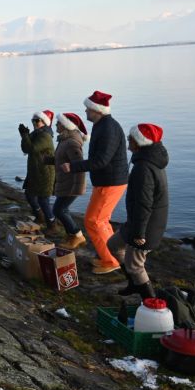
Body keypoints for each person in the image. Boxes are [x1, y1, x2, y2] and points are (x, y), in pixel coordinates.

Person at [60, 90, 129, 274]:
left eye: (87, 109)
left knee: (93, 220)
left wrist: (73, 166)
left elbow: (101, 161)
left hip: (111, 182)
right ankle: (111, 256)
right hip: (108, 181)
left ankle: (110, 260)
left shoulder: (108, 129)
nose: (85, 112)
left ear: (96, 110)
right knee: (101, 220)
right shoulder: (102, 125)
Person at [108, 123, 169, 298]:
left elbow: (144, 203)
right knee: (113, 245)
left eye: (130, 139)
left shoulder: (144, 168)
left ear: (139, 142)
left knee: (135, 265)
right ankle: (134, 284)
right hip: (138, 222)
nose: (127, 141)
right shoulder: (149, 161)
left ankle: (150, 302)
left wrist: (140, 233)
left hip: (146, 226)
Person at [51, 112, 89, 249]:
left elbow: (79, 165)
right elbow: (62, 160)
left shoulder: (71, 143)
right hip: (65, 181)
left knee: (59, 210)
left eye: (58, 123)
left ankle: (77, 235)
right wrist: (48, 160)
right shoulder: (64, 140)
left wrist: (76, 187)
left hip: (72, 184)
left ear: (65, 126)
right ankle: (72, 236)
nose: (56, 124)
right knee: (61, 209)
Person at [19, 110, 55, 228]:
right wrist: (24, 135)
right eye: (32, 120)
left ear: (44, 122)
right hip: (35, 170)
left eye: (36, 120)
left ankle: (52, 224)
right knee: (29, 194)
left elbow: (32, 149)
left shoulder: (45, 135)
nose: (34, 122)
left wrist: (25, 135)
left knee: (43, 199)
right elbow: (25, 148)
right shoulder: (36, 133)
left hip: (45, 172)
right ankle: (40, 216)